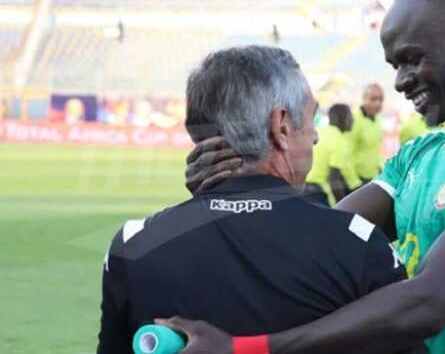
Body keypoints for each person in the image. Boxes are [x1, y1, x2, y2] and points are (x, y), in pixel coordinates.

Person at [167, 0, 445, 353]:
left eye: (413, 58)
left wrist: (250, 349)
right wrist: (232, 193)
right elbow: (316, 245)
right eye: (396, 65)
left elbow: (429, 303)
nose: (400, 81)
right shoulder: (420, 154)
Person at [97, 46, 416, 352]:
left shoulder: (133, 245)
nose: (316, 135)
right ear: (281, 126)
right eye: (311, 119)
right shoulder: (357, 243)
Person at [305, 103, 361, 205]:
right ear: (342, 119)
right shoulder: (339, 141)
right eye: (350, 117)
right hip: (320, 192)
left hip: (303, 188)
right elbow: (334, 179)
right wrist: (342, 207)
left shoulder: (319, 132)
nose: (353, 121)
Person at [349, 82, 385, 184]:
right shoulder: (354, 120)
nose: (378, 103)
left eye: (381, 99)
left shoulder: (377, 120)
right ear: (364, 98)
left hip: (374, 176)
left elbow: (375, 149)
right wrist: (354, 183)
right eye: (373, 99)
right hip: (357, 179)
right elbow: (346, 154)